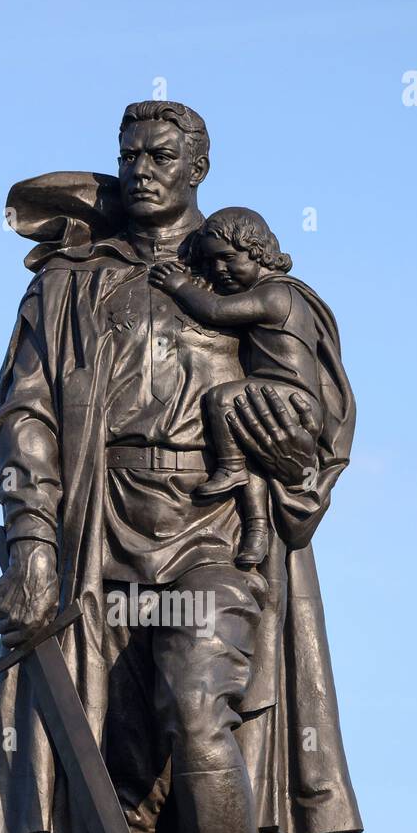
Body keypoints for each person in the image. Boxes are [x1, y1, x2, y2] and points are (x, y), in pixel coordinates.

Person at [0, 101, 361, 833]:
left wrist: (286, 429)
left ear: (198, 168)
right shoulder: (69, 283)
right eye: (131, 154)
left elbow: (315, 414)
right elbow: (23, 413)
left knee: (197, 697)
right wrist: (31, 539)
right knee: (112, 749)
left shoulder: (235, 273)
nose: (143, 168)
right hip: (97, 537)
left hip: (209, 525)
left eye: (164, 155)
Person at [149, 207, 320, 568]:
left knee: (223, 397)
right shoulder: (273, 292)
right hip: (273, 394)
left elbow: (216, 311)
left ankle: (229, 467)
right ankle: (256, 531)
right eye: (212, 263)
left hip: (288, 395)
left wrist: (179, 286)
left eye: (228, 259)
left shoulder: (276, 295)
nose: (219, 271)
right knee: (252, 451)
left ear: (257, 251)